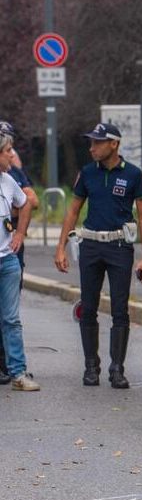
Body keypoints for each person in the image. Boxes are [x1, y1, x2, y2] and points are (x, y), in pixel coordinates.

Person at [54, 123, 142, 389]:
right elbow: (73, 211)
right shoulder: (87, 173)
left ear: (114, 144)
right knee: (88, 306)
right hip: (91, 246)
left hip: (120, 247)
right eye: (91, 143)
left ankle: (117, 368)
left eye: (97, 143)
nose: (92, 148)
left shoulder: (133, 174)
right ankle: (90, 366)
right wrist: (61, 246)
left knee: (120, 309)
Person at [0, 121, 37, 385]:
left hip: (7, 261)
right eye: (7, 151)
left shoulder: (8, 181)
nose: (11, 155)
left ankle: (18, 373)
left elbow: (26, 204)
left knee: (11, 319)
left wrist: (20, 234)